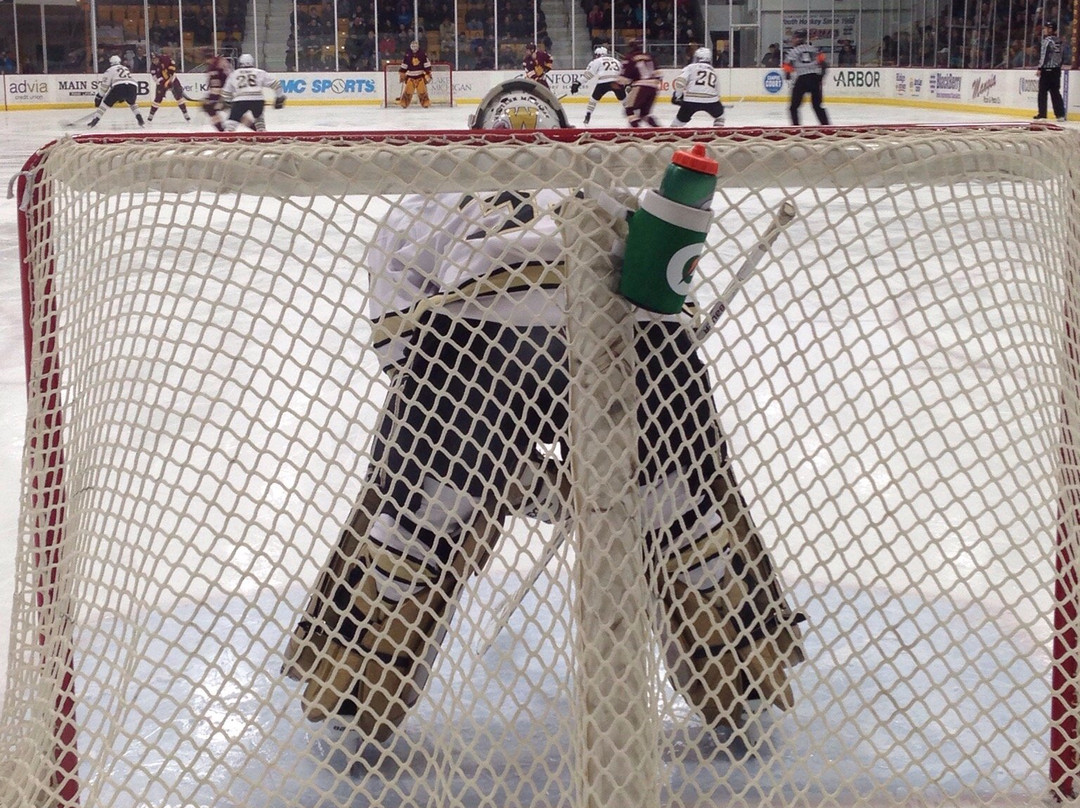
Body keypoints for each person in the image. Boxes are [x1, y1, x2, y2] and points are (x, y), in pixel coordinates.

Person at [282, 77, 805, 751]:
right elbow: (659, 287)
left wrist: (486, 465)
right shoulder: (603, 181)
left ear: (477, 137)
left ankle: (384, 597)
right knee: (681, 512)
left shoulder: (434, 194)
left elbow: (398, 337)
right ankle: (719, 603)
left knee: (419, 519)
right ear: (565, 134)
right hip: (615, 335)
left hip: (470, 342)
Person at [220, 53, 285, 132]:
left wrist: (229, 103)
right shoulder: (260, 72)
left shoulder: (234, 74)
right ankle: (262, 132)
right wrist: (279, 97)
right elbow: (276, 85)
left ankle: (228, 133)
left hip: (240, 100)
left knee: (233, 120)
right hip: (258, 100)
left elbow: (226, 92)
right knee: (259, 117)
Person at [782, 30, 830, 125]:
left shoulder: (792, 52)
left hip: (802, 79)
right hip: (815, 78)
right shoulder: (815, 49)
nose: (792, 40)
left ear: (798, 39)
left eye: (794, 38)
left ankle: (796, 128)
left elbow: (787, 68)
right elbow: (824, 65)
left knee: (793, 107)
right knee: (817, 106)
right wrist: (821, 78)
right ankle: (826, 126)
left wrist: (788, 77)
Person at [670, 46, 726, 127]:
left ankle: (672, 135)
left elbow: (680, 82)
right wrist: (717, 103)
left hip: (690, 100)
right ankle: (718, 134)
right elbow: (717, 90)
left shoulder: (690, 67)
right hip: (711, 100)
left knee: (678, 122)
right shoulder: (713, 71)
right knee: (720, 116)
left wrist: (677, 95)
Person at [570, 45, 625, 125]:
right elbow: (623, 71)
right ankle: (632, 114)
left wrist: (578, 83)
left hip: (603, 81)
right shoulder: (615, 60)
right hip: (616, 82)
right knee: (624, 100)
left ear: (597, 54)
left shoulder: (597, 61)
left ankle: (588, 116)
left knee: (593, 100)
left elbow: (589, 74)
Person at [87, 55, 144, 128]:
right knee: (132, 103)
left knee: (104, 105)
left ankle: (95, 121)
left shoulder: (109, 70)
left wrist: (99, 96)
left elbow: (105, 86)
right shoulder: (125, 68)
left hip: (119, 86)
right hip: (132, 86)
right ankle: (140, 119)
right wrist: (123, 96)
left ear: (110, 62)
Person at [617, 39, 661, 127]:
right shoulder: (649, 56)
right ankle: (659, 130)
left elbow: (625, 77)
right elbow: (658, 73)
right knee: (644, 114)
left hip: (641, 86)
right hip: (653, 87)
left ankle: (636, 130)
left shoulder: (630, 57)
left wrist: (619, 82)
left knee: (629, 109)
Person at [147, 49, 191, 123]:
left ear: (159, 57)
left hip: (173, 79)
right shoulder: (152, 68)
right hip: (162, 83)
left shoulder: (165, 59)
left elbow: (173, 69)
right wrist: (164, 83)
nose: (155, 61)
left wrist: (170, 80)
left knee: (179, 98)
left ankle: (186, 115)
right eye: (153, 60)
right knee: (157, 99)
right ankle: (150, 118)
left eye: (156, 59)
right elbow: (156, 80)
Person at [1034, 20, 1066, 121]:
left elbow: (1044, 56)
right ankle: (1060, 114)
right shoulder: (1059, 41)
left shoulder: (1047, 41)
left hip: (1047, 70)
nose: (1044, 30)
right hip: (1056, 70)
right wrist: (1058, 66)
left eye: (1046, 28)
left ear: (1051, 29)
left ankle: (1042, 114)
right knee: (1055, 92)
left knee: (1042, 92)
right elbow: (1062, 56)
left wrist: (1040, 68)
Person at [198, 46, 232, 132]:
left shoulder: (215, 66)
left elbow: (218, 85)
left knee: (208, 107)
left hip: (225, 93)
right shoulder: (219, 61)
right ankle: (256, 128)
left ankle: (221, 130)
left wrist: (212, 98)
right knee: (236, 112)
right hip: (227, 92)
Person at [398, 39, 433, 108]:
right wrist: (402, 73)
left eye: (415, 46)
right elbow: (404, 64)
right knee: (408, 91)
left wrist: (428, 73)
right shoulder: (407, 55)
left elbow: (426, 64)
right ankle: (404, 103)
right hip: (410, 77)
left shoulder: (422, 54)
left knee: (422, 91)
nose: (414, 48)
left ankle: (425, 103)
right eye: (413, 46)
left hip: (420, 76)